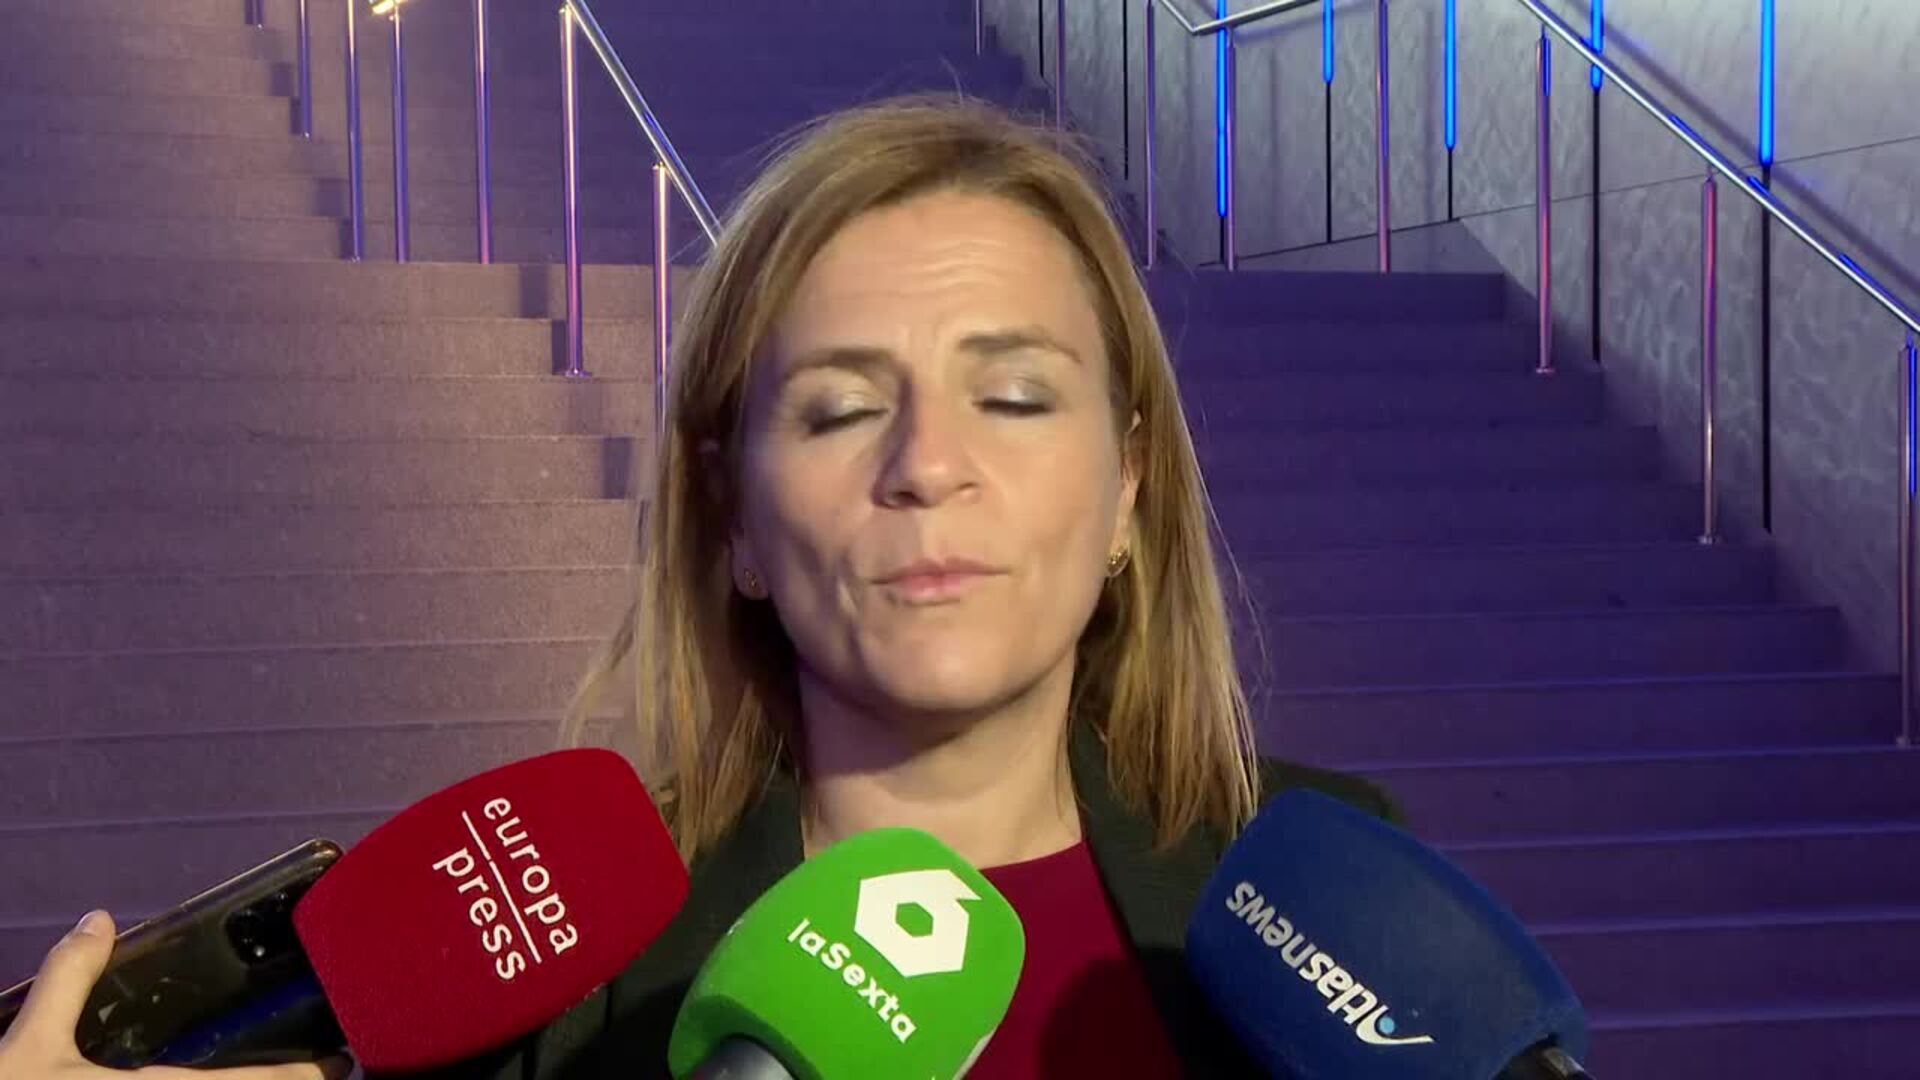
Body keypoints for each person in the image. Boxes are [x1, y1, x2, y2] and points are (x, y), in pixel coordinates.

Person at [0, 96, 1401, 1080]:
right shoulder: (558, 989)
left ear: (1129, 492)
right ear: (733, 520)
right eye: (843, 409)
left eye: (1017, 396)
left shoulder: (1336, 897)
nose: (928, 465)